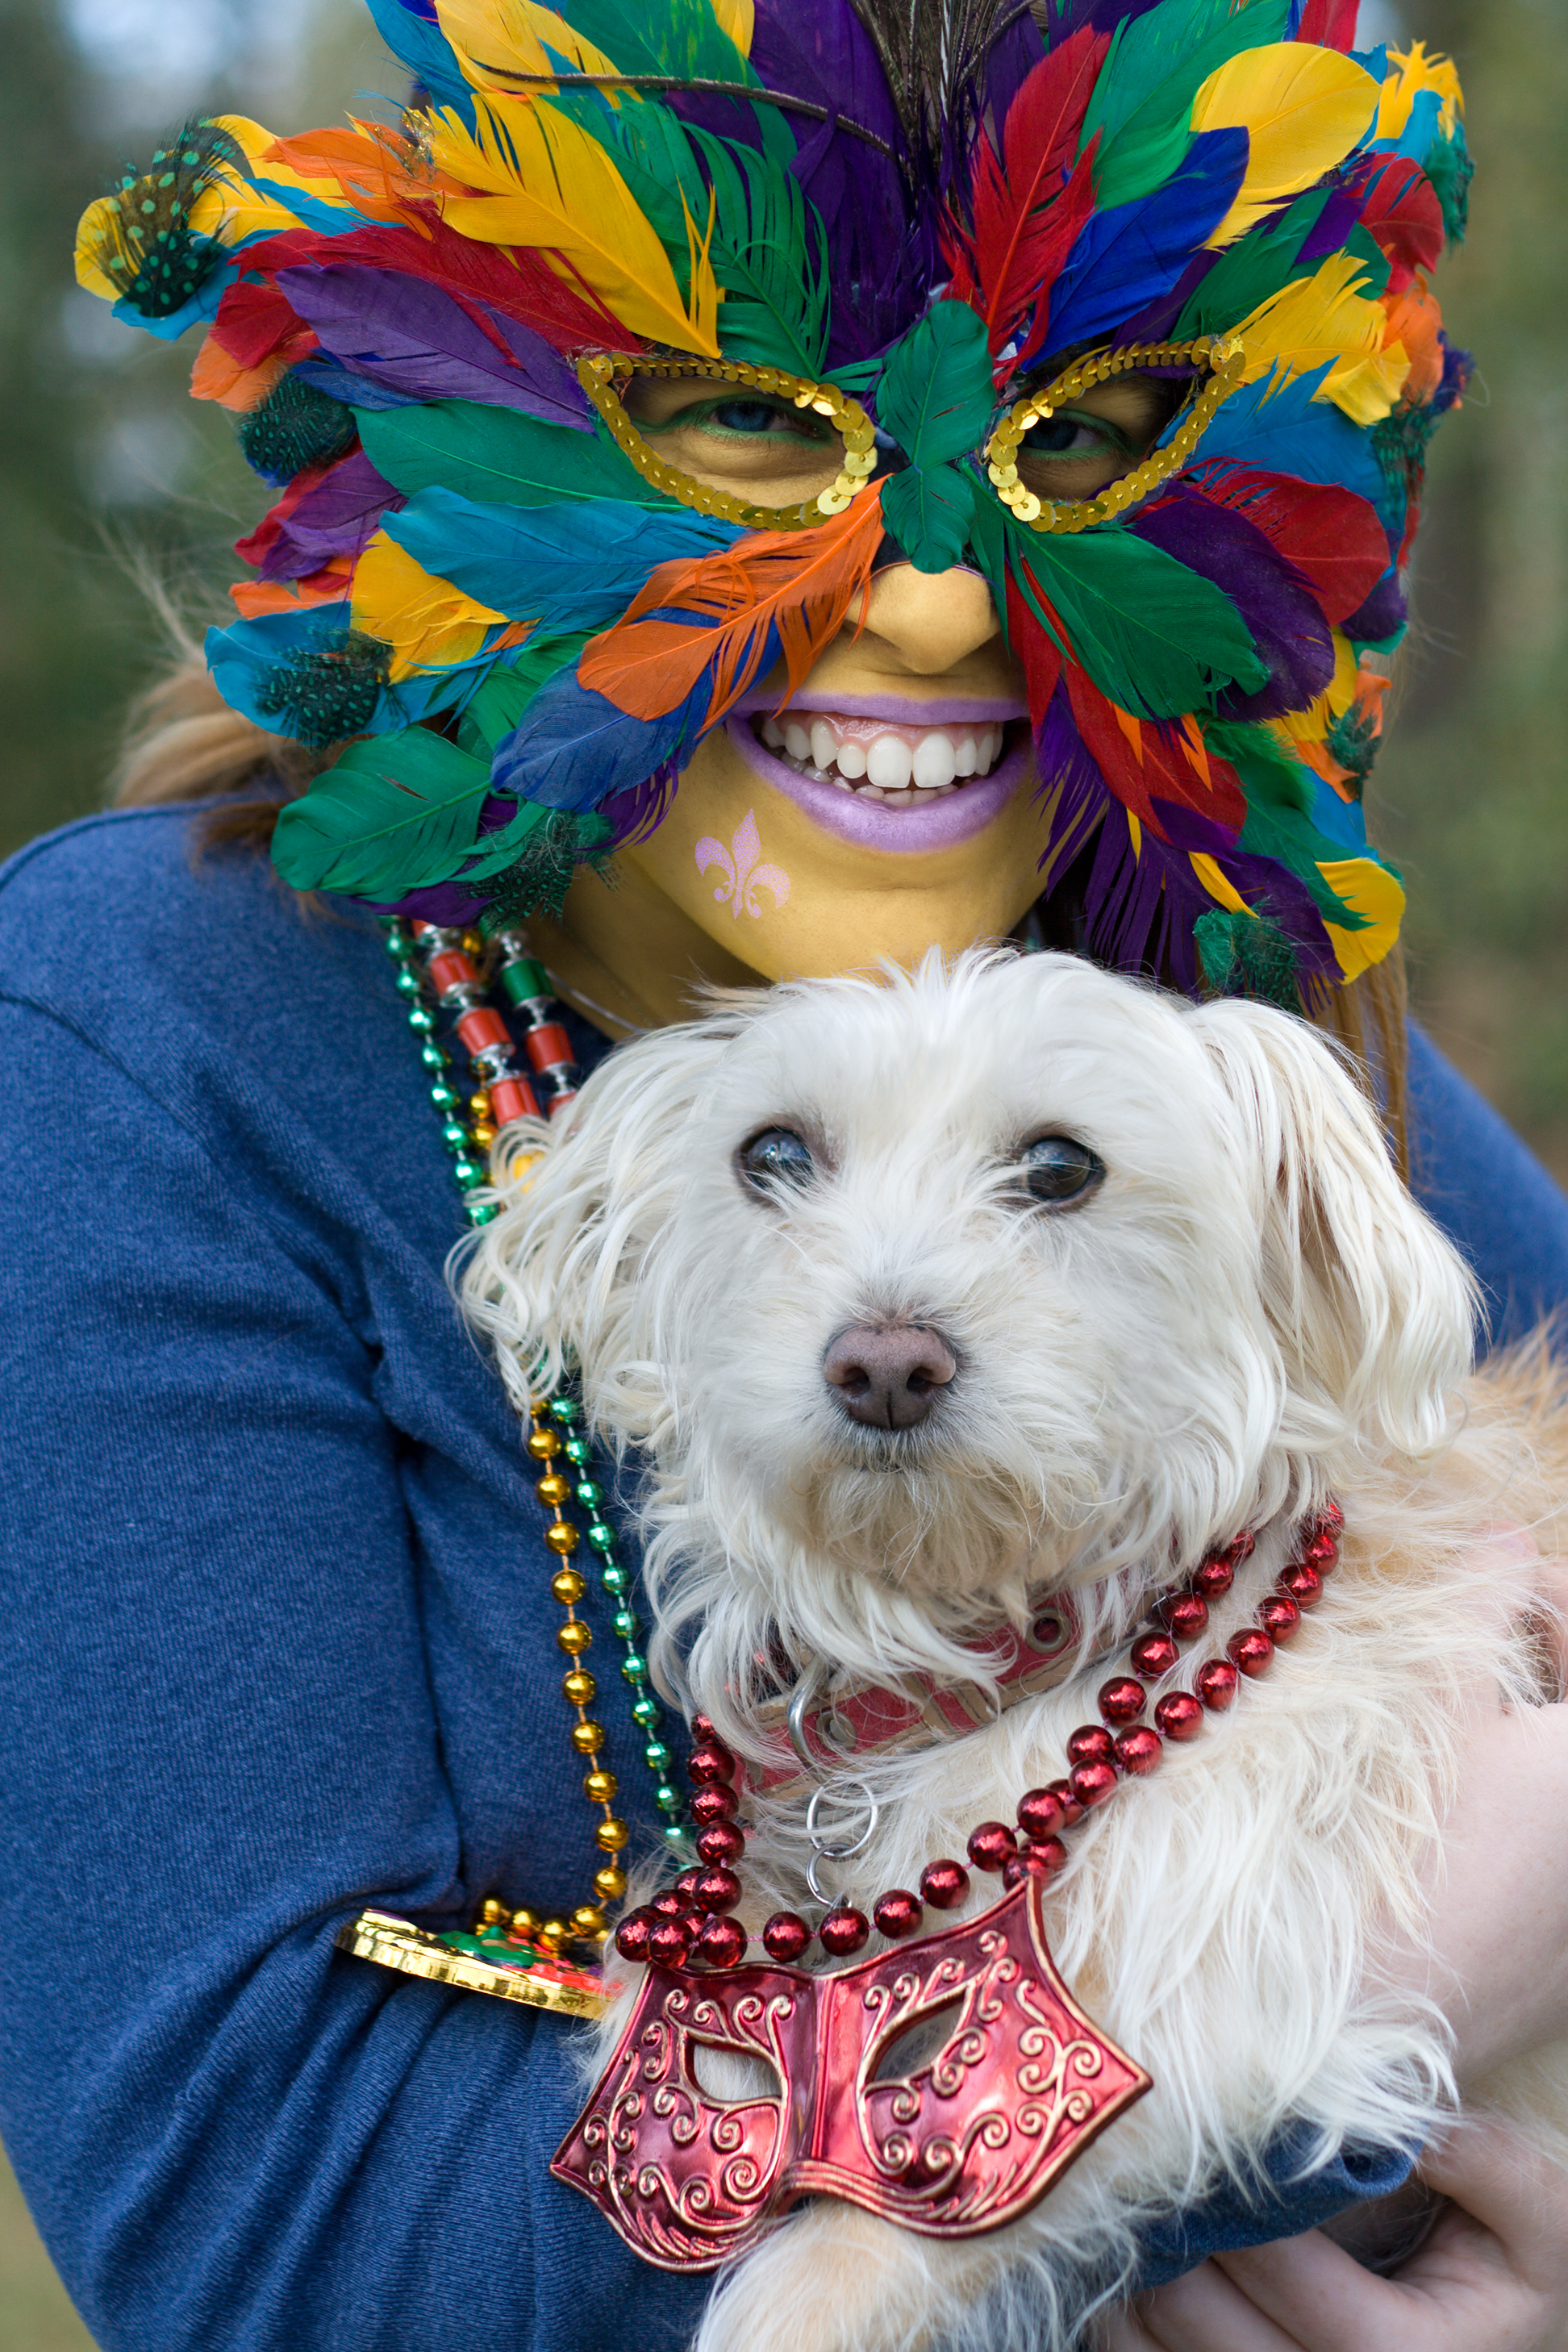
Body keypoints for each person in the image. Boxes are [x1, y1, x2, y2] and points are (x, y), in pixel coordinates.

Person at [2, 0, 1565, 2345]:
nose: (928, 600)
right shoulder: (158, 1026)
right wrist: (1406, 1947)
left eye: (1092, 434)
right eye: (749, 424)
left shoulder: (1224, 1037)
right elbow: (288, 2246)